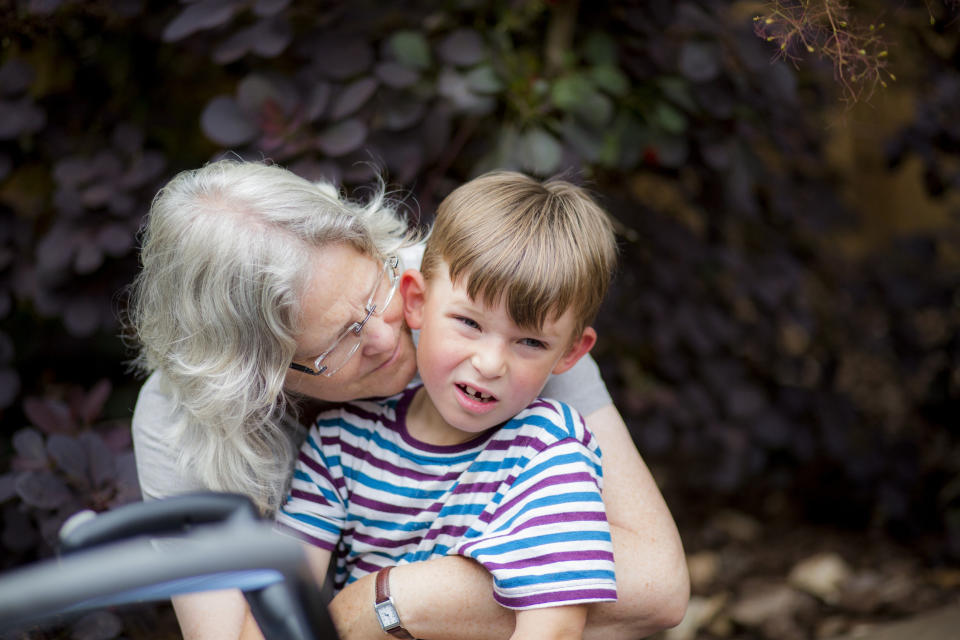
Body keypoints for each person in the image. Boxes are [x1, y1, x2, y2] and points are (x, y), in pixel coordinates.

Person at [128, 159, 688, 640]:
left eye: (376, 292)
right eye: (341, 339)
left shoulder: (493, 295)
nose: (385, 335)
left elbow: (656, 588)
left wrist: (381, 601)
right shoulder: (189, 422)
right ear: (260, 375)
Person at [276, 171, 619, 640]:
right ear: (416, 301)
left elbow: (553, 628)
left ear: (569, 354)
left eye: (530, 342)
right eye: (469, 323)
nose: (490, 362)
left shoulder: (547, 450)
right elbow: (281, 605)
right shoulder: (341, 442)